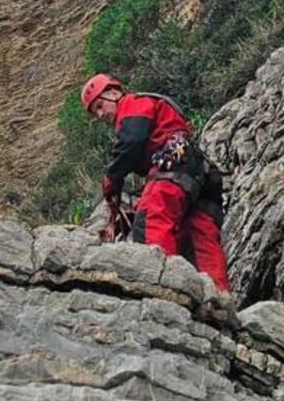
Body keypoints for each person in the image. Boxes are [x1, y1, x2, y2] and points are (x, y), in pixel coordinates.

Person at [81, 73, 231, 292]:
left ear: (114, 92)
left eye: (100, 106)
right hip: (200, 175)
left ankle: (164, 288)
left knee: (151, 220)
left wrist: (111, 179)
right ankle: (219, 296)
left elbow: (130, 142)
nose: (101, 114)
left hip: (172, 168)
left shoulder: (133, 103)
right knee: (201, 236)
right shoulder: (154, 105)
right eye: (96, 112)